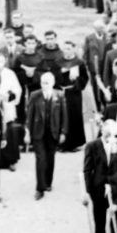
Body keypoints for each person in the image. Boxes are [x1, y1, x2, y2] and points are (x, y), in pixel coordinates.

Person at [82, 119, 117, 233]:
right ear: (102, 131)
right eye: (107, 134)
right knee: (99, 222)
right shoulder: (92, 146)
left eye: (112, 134)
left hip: (116, 189)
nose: (110, 137)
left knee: (116, 222)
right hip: (98, 188)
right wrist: (88, 192)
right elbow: (87, 170)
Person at [25, 72, 67, 200]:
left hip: (53, 132)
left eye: (47, 83)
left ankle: (48, 182)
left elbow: (64, 116)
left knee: (50, 158)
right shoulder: (34, 96)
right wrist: (27, 132)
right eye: (43, 82)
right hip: (38, 132)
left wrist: (63, 132)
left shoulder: (59, 96)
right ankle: (40, 188)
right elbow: (29, 116)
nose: (45, 85)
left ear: (53, 83)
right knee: (41, 159)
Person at [55, 40, 88, 150]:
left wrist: (77, 81)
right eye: (65, 49)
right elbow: (54, 77)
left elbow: (85, 78)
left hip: (74, 94)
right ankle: (62, 144)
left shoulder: (79, 62)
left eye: (69, 48)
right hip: (62, 92)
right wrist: (62, 73)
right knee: (62, 116)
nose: (66, 51)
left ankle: (74, 143)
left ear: (74, 49)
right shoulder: (58, 62)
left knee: (74, 116)